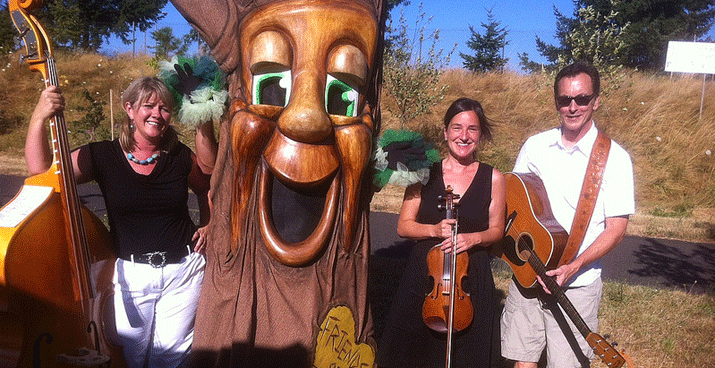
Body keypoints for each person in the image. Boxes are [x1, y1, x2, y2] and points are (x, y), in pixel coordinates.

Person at [25, 76, 217, 367]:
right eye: (148, 106)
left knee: (172, 357)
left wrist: (209, 223)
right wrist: (40, 115)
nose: (157, 114)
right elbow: (41, 172)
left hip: (184, 273)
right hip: (131, 275)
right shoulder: (102, 155)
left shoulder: (179, 156)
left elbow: (206, 185)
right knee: (130, 357)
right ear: (129, 109)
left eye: (164, 108)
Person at [500, 62, 635, 368]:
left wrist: (573, 266)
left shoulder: (614, 159)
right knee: (521, 361)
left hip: (578, 282)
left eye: (582, 99)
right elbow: (515, 201)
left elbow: (615, 229)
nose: (573, 107)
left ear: (596, 101)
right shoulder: (536, 146)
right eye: (565, 100)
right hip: (528, 275)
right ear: (556, 102)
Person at [376, 97, 506, 368]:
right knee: (415, 355)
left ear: (480, 135)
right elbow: (404, 226)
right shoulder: (424, 173)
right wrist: (434, 230)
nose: (464, 136)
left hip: (471, 279)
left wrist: (474, 237)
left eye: (472, 129)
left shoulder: (494, 178)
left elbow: (497, 230)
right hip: (425, 279)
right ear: (446, 131)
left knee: (468, 356)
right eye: (457, 127)